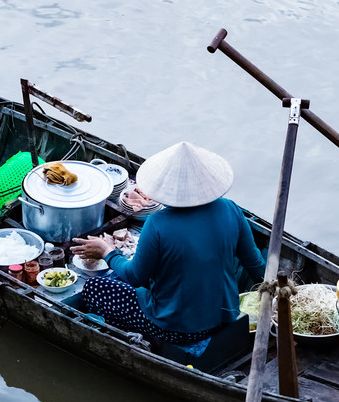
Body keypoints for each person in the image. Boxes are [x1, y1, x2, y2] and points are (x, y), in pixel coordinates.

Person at [70, 142, 266, 344]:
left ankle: (138, 338)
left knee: (94, 288)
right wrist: (274, 294)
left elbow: (134, 277)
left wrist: (107, 251)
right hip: (225, 316)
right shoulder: (230, 208)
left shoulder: (157, 223)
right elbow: (256, 265)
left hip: (177, 327)